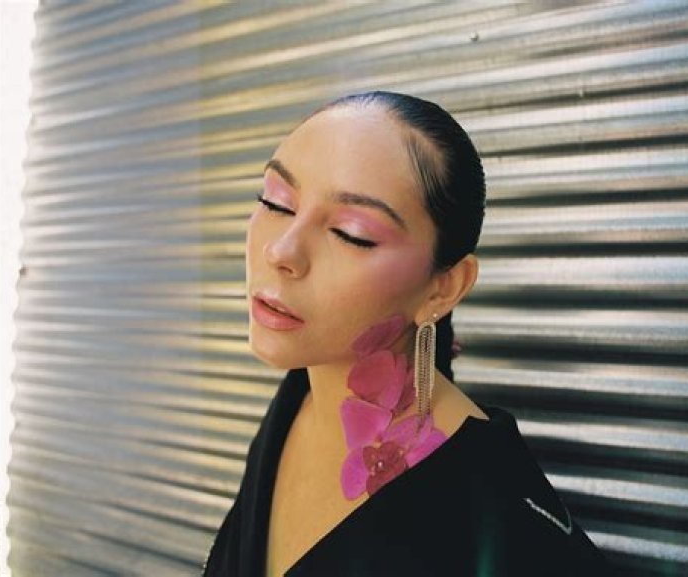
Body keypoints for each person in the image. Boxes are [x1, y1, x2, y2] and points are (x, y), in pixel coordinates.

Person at [202, 91, 609, 576]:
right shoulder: (299, 396)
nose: (282, 251)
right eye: (276, 202)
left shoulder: (495, 520)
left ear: (443, 288)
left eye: (351, 234)